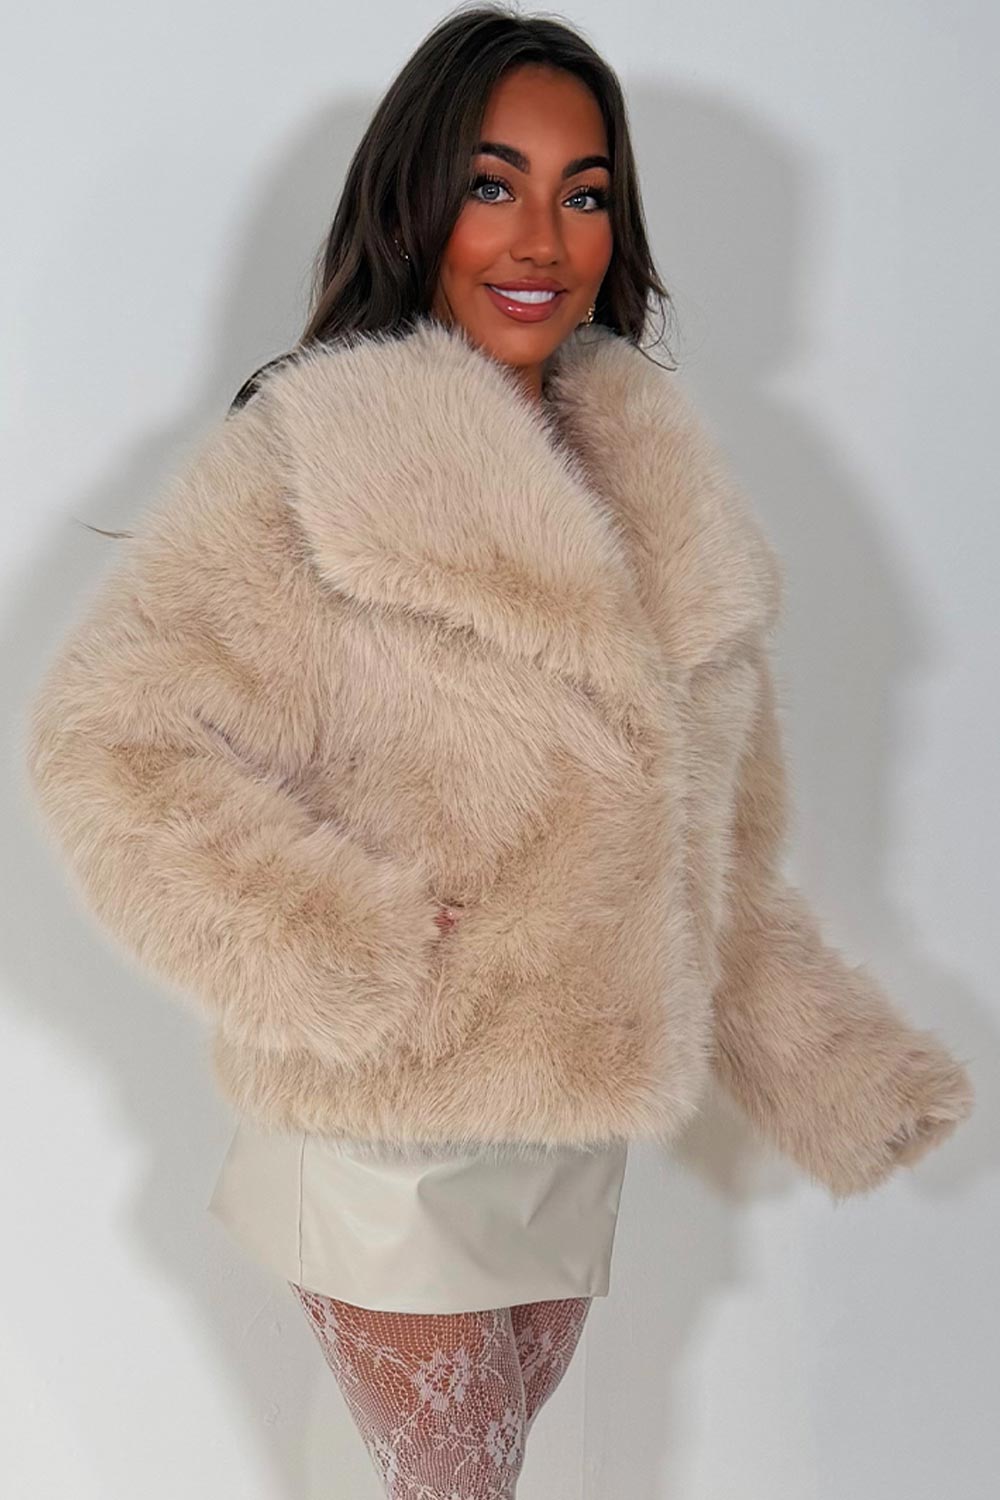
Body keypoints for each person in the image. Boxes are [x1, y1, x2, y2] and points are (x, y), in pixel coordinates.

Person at [21, 5, 975, 1497]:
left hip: (572, 1111)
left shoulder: (663, 491)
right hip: (389, 1110)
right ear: (418, 201)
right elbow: (108, 743)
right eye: (492, 184)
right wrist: (348, 940)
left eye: (583, 194)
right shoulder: (313, 458)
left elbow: (708, 854)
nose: (541, 238)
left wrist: (830, 1068)